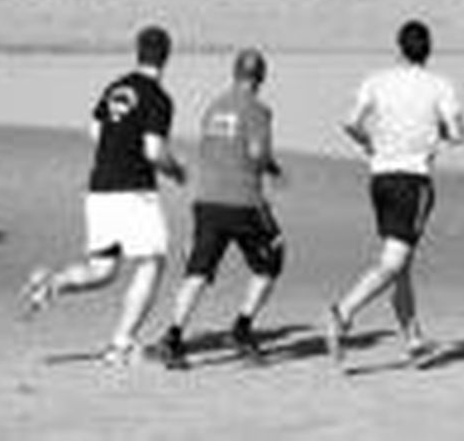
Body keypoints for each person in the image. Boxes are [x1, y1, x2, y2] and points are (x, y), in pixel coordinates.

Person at [22, 25, 187, 366]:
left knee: (102, 269)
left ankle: (51, 285)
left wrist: (118, 147)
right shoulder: (159, 98)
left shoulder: (115, 87)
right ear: (166, 57)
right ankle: (121, 344)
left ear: (138, 53)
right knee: (153, 261)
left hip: (100, 188)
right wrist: (176, 171)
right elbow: (154, 150)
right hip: (134, 191)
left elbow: (95, 130)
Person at [325, 19, 464, 367]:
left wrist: (369, 143)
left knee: (400, 263)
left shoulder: (377, 80)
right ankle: (342, 313)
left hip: (381, 180)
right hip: (413, 180)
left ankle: (414, 339)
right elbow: (459, 133)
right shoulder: (439, 85)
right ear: (428, 50)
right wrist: (439, 134)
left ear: (400, 48)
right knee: (393, 263)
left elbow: (350, 123)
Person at [156, 48, 286, 370]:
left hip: (207, 201)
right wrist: (272, 168)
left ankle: (172, 337)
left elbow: (211, 150)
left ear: (234, 73)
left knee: (197, 272)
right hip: (243, 202)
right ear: (261, 78)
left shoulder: (213, 107)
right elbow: (257, 152)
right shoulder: (258, 110)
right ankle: (242, 329)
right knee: (273, 259)